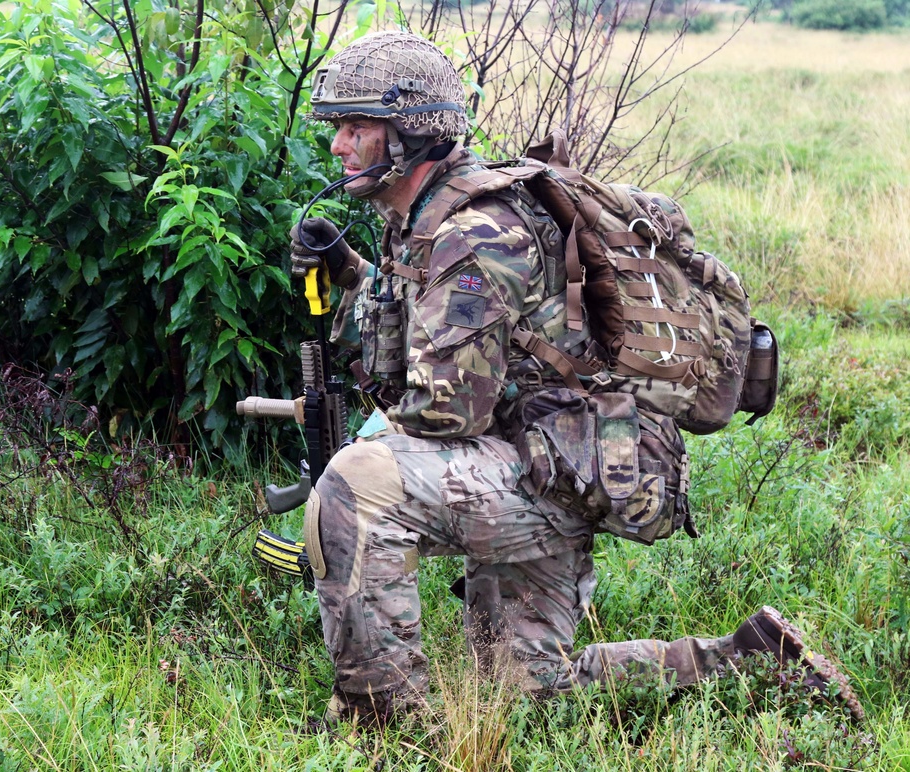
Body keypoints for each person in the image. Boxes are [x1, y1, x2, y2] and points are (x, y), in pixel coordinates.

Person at [287, 30, 863, 726]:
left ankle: (380, 725)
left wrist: (360, 459)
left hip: (547, 474)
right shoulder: (434, 216)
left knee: (355, 485)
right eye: (339, 128)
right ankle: (751, 660)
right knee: (521, 691)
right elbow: (455, 325)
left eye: (356, 127)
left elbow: (448, 413)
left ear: (410, 133)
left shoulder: (477, 232)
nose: (337, 147)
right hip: (554, 460)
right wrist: (355, 278)